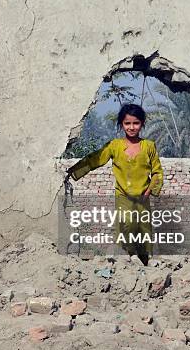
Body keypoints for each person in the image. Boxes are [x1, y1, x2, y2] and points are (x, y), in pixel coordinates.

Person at [65, 103, 163, 265]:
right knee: (126, 223)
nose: (132, 127)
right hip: (123, 194)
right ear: (121, 124)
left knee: (144, 226)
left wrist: (149, 190)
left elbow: (157, 172)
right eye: (127, 123)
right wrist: (74, 171)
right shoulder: (115, 146)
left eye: (136, 123)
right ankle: (129, 255)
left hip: (142, 196)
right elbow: (96, 159)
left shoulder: (149, 146)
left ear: (142, 124)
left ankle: (147, 258)